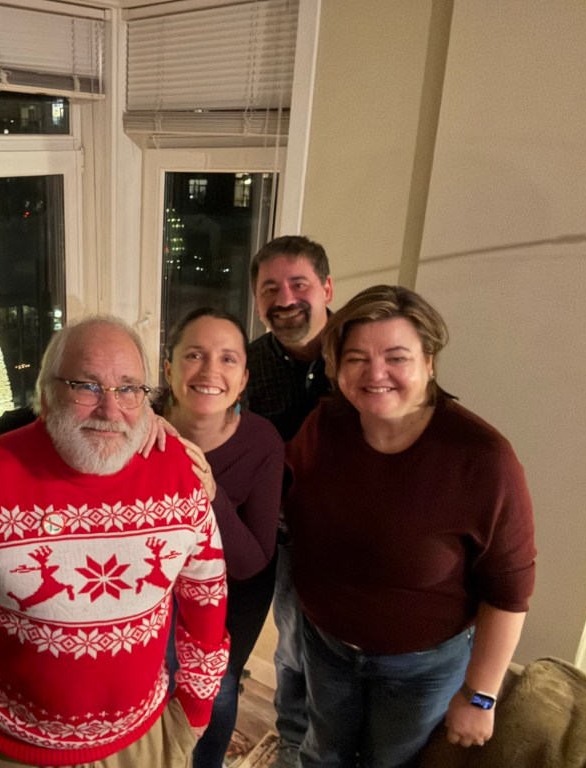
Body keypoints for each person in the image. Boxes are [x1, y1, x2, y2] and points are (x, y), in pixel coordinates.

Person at [286, 285, 536, 767]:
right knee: (321, 755)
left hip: (421, 667)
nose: (375, 373)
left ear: (429, 362)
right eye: (356, 358)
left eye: (396, 357)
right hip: (326, 645)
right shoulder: (325, 424)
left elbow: (509, 592)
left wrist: (480, 695)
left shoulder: (483, 459)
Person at [0, 315, 230, 768]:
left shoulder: (178, 468)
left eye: (128, 389)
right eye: (87, 387)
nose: (110, 411)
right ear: (47, 393)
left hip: (145, 742)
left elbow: (206, 592)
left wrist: (195, 707)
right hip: (12, 748)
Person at [161, 308, 284, 768]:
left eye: (228, 358)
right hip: (154, 594)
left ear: (244, 378)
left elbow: (252, 561)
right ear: (169, 369)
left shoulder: (261, 441)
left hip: (234, 595)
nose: (210, 370)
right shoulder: (139, 427)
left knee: (218, 686)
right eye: (195, 355)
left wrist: (210, 494)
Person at [245, 234, 334, 766]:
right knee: (292, 647)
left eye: (299, 284)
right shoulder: (249, 364)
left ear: (326, 288)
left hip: (353, 539)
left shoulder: (359, 351)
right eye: (270, 289)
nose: (285, 299)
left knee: (342, 657)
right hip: (284, 537)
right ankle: (291, 743)